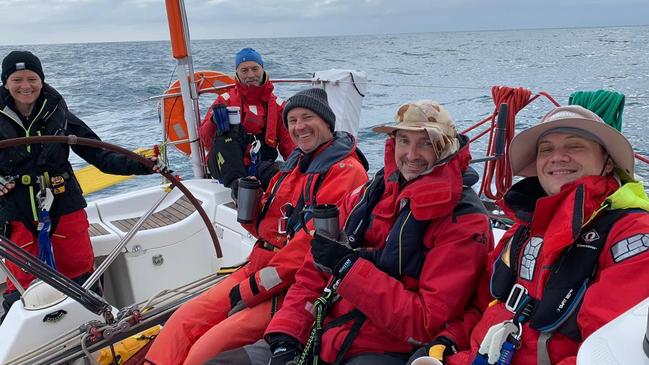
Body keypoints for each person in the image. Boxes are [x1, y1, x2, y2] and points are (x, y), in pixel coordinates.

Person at [207, 100, 494, 365]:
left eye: (425, 143)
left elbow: (426, 321)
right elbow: (312, 271)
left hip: (382, 347)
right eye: (404, 140)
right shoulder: (369, 194)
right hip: (322, 330)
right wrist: (287, 335)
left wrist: (349, 269)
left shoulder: (464, 220)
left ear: (445, 148)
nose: (411, 154)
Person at [144, 88, 368, 365]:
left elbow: (307, 252)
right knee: (182, 321)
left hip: (293, 287)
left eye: (307, 117)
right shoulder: (294, 165)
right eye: (293, 120)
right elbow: (268, 230)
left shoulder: (345, 172)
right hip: (257, 267)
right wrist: (251, 205)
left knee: (206, 348)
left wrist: (250, 289)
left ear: (327, 122)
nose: (299, 127)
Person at [410, 105, 649, 365]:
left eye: (575, 146)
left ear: (608, 162)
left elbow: (605, 354)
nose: (558, 157)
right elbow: (483, 304)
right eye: (546, 149)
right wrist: (448, 341)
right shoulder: (523, 229)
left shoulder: (632, 234)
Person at [0, 50, 161, 321]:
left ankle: (97, 328)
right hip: (15, 213)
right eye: (17, 79)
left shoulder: (59, 113)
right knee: (23, 287)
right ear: (5, 82)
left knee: (81, 274)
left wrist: (143, 165)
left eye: (32, 78)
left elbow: (100, 155)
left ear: (42, 80)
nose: (25, 86)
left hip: (65, 205)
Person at [199, 47, 295, 196]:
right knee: (228, 129)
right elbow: (205, 140)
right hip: (225, 165)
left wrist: (301, 170)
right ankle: (238, 188)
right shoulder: (225, 101)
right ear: (236, 73)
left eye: (255, 69)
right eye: (244, 70)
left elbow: (289, 146)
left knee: (284, 174)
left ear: (262, 70)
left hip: (258, 165)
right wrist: (213, 120)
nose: (251, 75)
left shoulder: (277, 107)